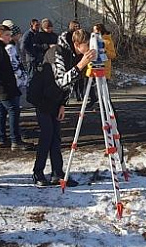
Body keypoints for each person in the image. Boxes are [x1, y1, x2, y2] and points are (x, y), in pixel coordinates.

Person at [30, 29, 96, 187]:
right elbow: (61, 81)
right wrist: (81, 65)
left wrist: (62, 104)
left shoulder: (75, 55)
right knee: (46, 136)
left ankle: (57, 173)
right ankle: (38, 172)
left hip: (56, 99)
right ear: (77, 44)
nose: (89, 49)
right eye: (87, 45)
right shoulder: (57, 52)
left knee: (56, 137)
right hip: (42, 98)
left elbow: (70, 85)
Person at [0, 24, 32, 151]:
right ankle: (15, 140)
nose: (10, 37)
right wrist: (4, 81)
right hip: (4, 86)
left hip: (2, 86)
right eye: (7, 35)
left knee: (2, 112)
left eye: (10, 35)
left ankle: (2, 139)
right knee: (13, 111)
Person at [86, 23, 117, 109]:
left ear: (100, 30)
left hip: (103, 69)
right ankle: (94, 100)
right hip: (93, 67)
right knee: (90, 86)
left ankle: (110, 109)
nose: (93, 31)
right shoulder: (92, 40)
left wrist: (104, 51)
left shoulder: (107, 40)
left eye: (95, 30)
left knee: (104, 92)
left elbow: (113, 55)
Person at [59, 20, 84, 101]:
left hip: (80, 57)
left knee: (81, 77)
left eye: (78, 26)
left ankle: (81, 93)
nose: (77, 28)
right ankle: (75, 93)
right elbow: (67, 46)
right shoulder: (67, 35)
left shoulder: (81, 34)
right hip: (71, 58)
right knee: (74, 76)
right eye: (75, 26)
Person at [3, 21, 28, 102]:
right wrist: (21, 75)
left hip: (14, 78)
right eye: (18, 33)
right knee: (13, 104)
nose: (20, 35)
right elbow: (13, 63)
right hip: (15, 79)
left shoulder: (13, 45)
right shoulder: (10, 47)